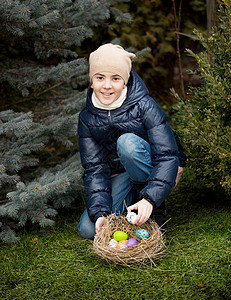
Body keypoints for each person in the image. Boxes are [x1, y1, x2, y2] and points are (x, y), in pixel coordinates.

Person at [77, 44, 186, 239]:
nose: (107, 85)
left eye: (116, 78)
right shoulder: (87, 118)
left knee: (127, 143)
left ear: (125, 82)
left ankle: (154, 210)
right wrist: (100, 212)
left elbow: (167, 155)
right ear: (91, 82)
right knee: (88, 229)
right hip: (123, 175)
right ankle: (134, 199)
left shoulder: (144, 105)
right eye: (100, 78)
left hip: (151, 165)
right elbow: (94, 168)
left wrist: (150, 199)